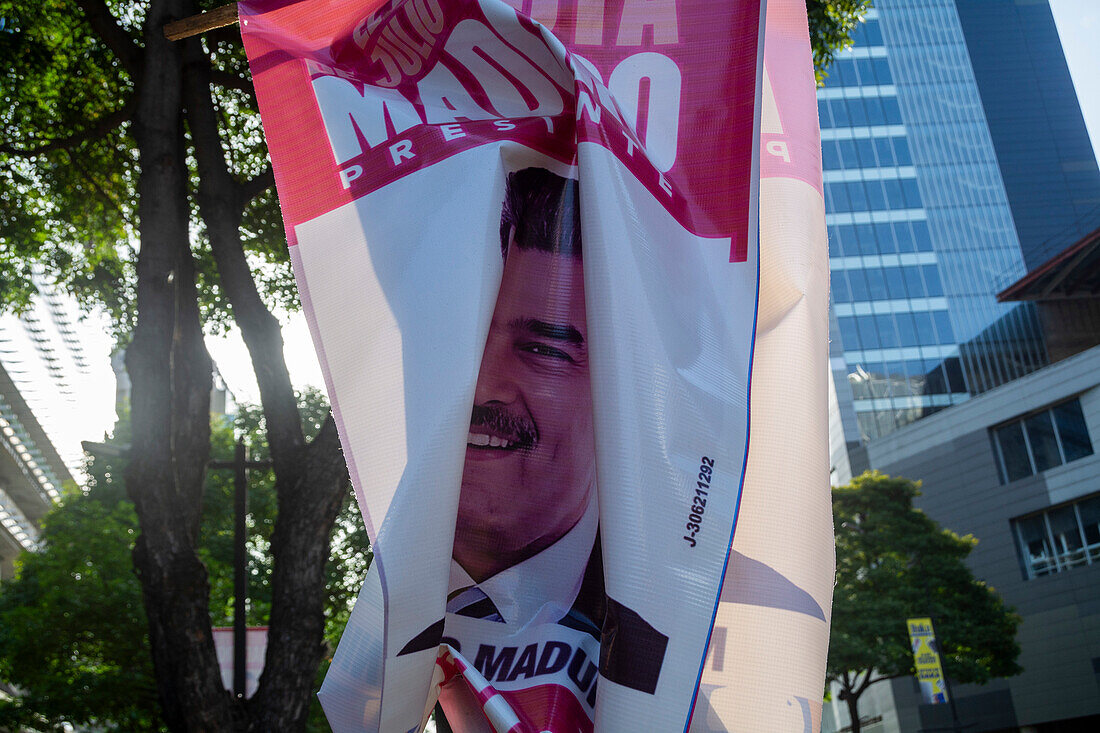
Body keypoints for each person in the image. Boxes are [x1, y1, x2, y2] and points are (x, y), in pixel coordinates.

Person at [401, 168, 666, 698]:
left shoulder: (672, 661)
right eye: (460, 336)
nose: (479, 386)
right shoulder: (370, 630)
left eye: (544, 350)